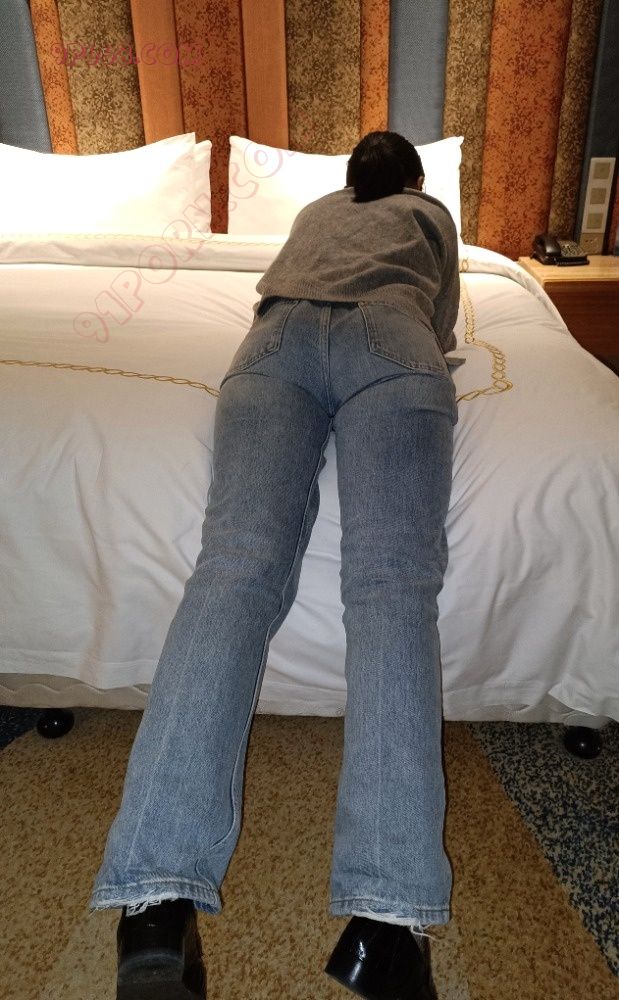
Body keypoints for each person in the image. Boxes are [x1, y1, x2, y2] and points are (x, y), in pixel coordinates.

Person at [89, 130, 462, 1000]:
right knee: (390, 587)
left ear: (347, 178)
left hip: (272, 344)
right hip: (392, 339)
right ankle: (386, 924)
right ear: (411, 178)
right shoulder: (429, 214)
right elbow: (440, 320)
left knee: (231, 571)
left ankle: (153, 903)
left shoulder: (315, 211)